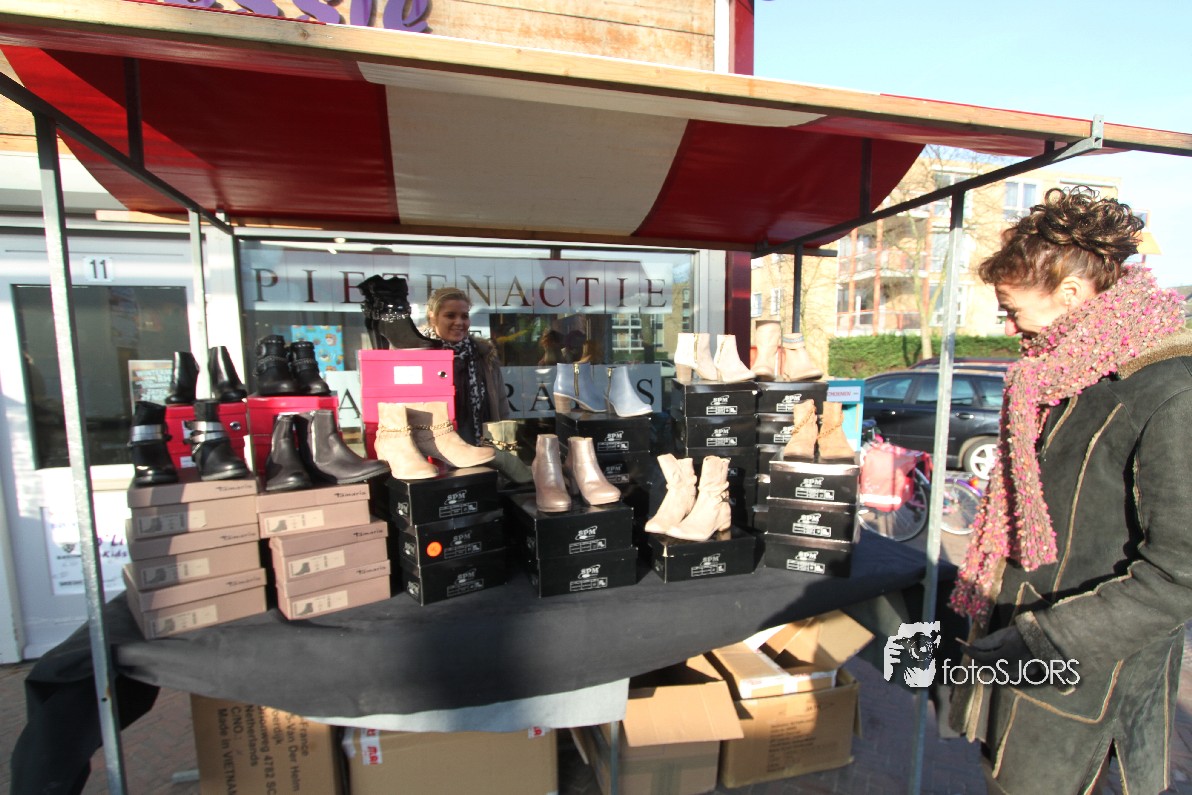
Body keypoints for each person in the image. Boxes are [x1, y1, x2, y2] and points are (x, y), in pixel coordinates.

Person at [947, 186, 1192, 794]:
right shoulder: (1061, 373)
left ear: (1072, 295)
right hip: (1025, 660)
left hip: (1088, 684)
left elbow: (1180, 575)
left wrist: (1045, 638)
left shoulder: (1171, 389)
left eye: (1011, 309)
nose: (1008, 326)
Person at [424, 287, 511, 444]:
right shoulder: (420, 356)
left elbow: (501, 404)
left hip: (480, 446)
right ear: (433, 318)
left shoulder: (484, 355)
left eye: (464, 316)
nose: (459, 322)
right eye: (450, 315)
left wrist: (504, 442)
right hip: (434, 448)